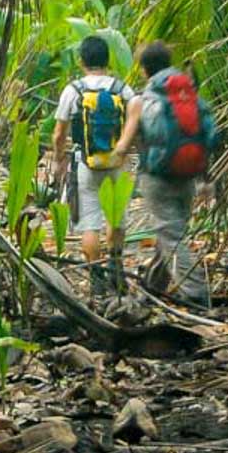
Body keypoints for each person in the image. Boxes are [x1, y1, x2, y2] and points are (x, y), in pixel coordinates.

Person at [114, 40, 214, 307]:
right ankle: (153, 287)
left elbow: (126, 142)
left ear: (144, 69)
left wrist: (115, 159)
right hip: (189, 175)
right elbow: (207, 135)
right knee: (170, 231)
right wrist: (206, 179)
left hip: (157, 177)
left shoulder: (143, 100)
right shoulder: (191, 96)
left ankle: (195, 292)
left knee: (171, 236)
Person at [52, 35, 134, 284]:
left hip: (85, 164)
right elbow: (134, 124)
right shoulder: (122, 89)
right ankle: (116, 268)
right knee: (115, 217)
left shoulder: (73, 90)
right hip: (117, 162)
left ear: (81, 61)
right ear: (108, 60)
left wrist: (58, 159)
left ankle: (96, 279)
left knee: (90, 223)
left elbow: (59, 134)